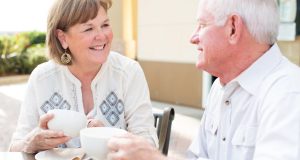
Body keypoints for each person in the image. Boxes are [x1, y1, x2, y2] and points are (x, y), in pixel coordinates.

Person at [107, 0, 300, 159]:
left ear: (233, 28)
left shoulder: (288, 94)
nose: (193, 37)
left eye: (202, 25)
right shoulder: (220, 87)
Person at [9, 0, 158, 153]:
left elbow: (149, 144)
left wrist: (110, 138)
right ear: (62, 38)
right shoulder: (41, 78)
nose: (102, 36)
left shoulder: (128, 72)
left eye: (105, 25)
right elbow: (14, 148)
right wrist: (30, 143)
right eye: (88, 29)